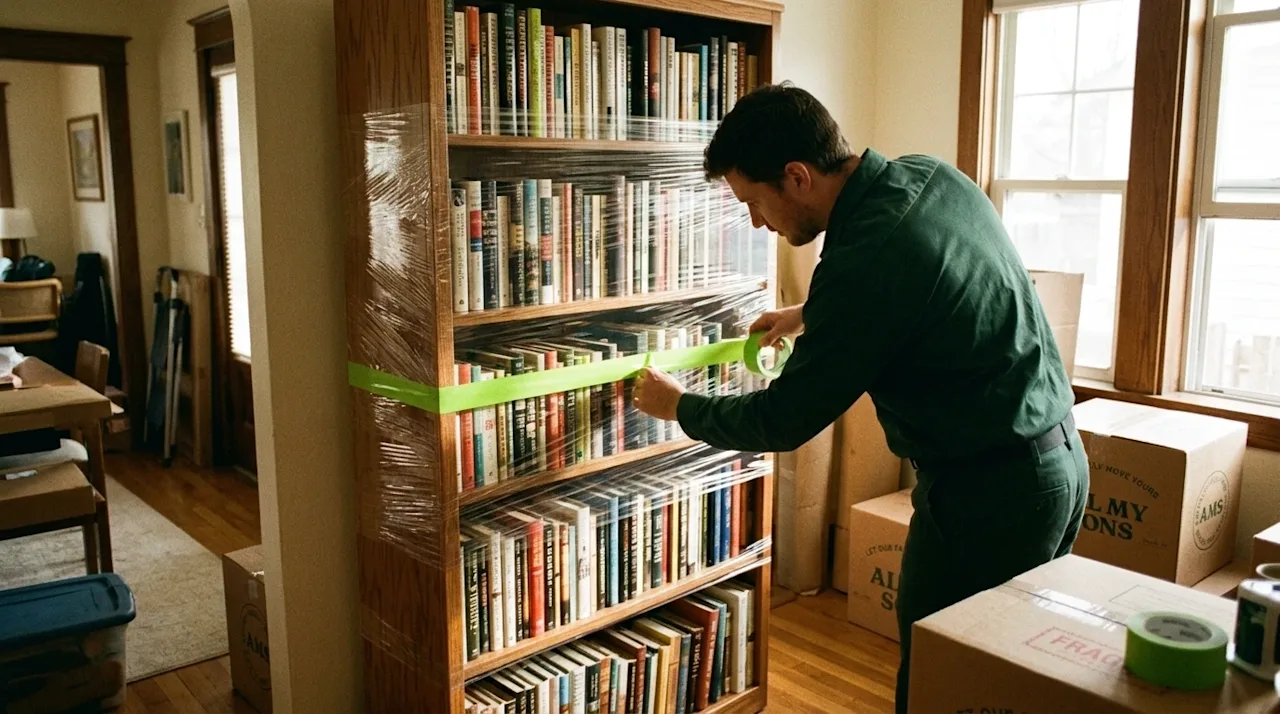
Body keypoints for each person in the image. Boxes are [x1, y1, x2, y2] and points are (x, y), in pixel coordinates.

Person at [631, 82, 1089, 713]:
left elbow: (782, 418)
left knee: (943, 684)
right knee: (1006, 682)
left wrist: (678, 405)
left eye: (754, 202)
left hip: (989, 499)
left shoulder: (863, 263)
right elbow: (926, 289)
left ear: (796, 176)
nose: (756, 221)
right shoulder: (927, 176)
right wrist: (808, 313)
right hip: (1056, 460)